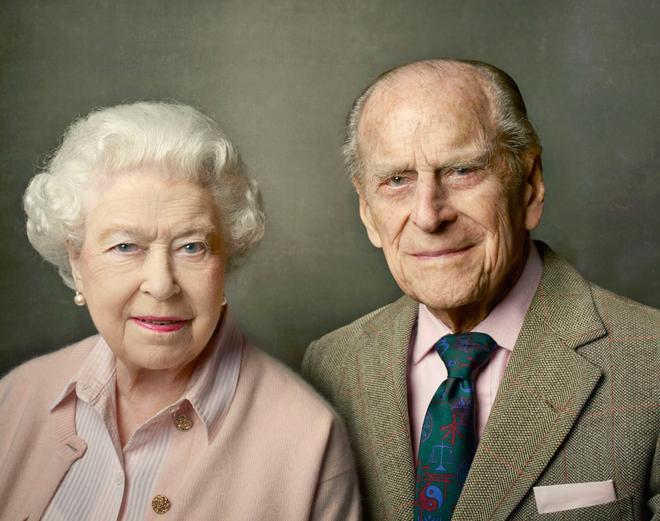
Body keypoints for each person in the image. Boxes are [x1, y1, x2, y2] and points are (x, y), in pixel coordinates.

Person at [302, 59, 659, 520]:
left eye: (462, 171)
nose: (429, 216)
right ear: (368, 212)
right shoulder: (329, 367)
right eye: (396, 180)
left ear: (529, 186)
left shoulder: (650, 362)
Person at [0, 102, 360, 521]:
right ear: (78, 263)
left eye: (192, 247)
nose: (161, 283)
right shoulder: (16, 397)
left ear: (226, 260)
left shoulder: (309, 441)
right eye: (125, 246)